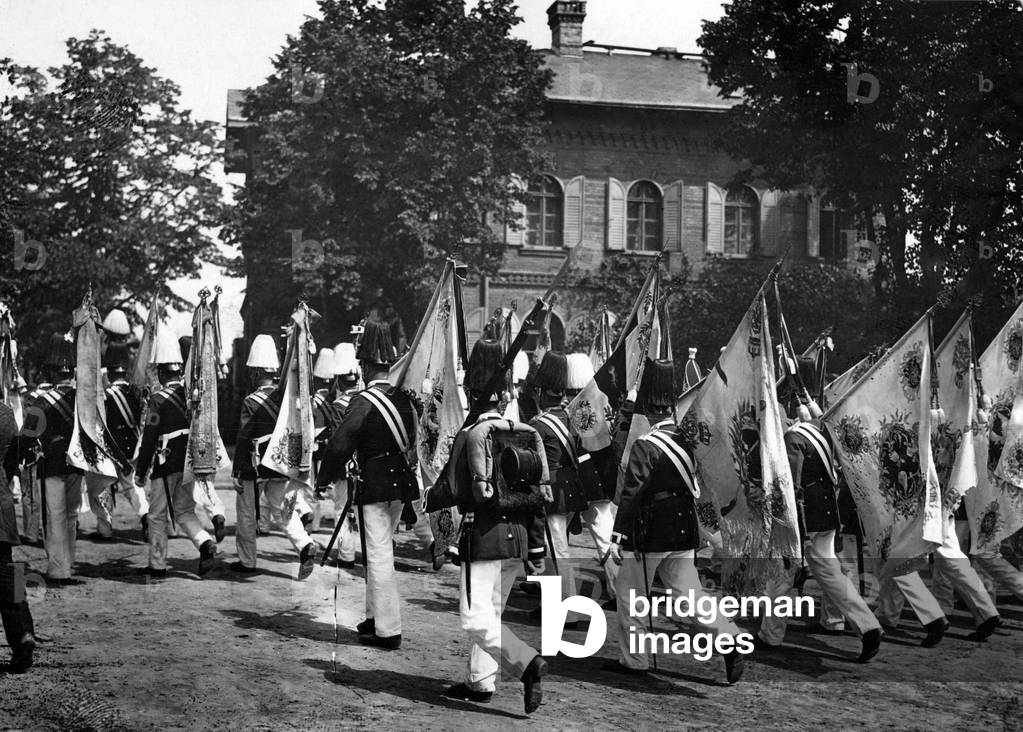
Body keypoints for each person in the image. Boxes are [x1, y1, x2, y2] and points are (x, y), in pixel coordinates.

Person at [608, 359, 745, 683]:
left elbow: (632, 495)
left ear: (649, 408)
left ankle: (635, 660)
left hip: (650, 532)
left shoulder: (646, 445)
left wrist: (618, 535)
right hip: (683, 526)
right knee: (690, 596)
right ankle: (730, 637)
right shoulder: (689, 441)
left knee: (630, 593)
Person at [442, 338, 549, 714]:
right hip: (517, 540)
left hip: (483, 538)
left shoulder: (470, 435)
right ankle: (480, 681)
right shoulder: (525, 432)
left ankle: (526, 663)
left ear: (472, 387)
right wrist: (536, 549)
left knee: (474, 618)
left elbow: (451, 493)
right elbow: (538, 497)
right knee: (491, 613)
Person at [755, 398, 884, 662]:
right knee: (832, 575)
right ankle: (868, 625)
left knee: (781, 576)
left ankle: (771, 635)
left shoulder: (793, 439)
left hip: (805, 520)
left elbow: (791, 487)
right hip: (827, 515)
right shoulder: (823, 432)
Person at [317, 318, 419, 650]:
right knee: (380, 549)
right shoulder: (403, 399)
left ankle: (388, 630)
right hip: (400, 483)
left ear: (364, 365)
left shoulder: (363, 401)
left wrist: (323, 477)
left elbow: (338, 445)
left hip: (375, 484)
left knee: (377, 556)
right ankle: (375, 617)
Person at [231, 334, 318, 578]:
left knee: (247, 512)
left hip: (254, 466)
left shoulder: (251, 401)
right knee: (284, 511)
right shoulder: (286, 399)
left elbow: (243, 438)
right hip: (280, 464)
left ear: (254, 373)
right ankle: (304, 544)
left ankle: (248, 561)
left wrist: (237, 470)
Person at [134, 331, 217, 578]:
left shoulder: (157, 401)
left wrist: (141, 472)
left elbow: (149, 437)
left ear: (161, 372)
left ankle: (158, 565)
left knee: (157, 515)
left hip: (165, 460)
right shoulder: (191, 396)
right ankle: (204, 542)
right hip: (189, 461)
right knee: (184, 510)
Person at [527, 352, 587, 627]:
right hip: (572, 490)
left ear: (541, 393)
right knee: (556, 549)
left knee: (557, 550)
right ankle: (550, 605)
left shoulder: (538, 424)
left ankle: (571, 611)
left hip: (553, 492)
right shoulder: (571, 417)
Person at [21, 333, 82, 584]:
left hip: (52, 463)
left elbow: (28, 433)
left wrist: (21, 454)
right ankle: (68, 561)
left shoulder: (42, 401)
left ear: (53, 370)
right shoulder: (82, 398)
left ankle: (58, 569)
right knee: (71, 515)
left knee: (55, 515)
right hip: (77, 462)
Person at [1, 401, 34, 672]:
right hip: (1, 506)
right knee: (9, 574)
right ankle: (24, 633)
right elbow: (13, 462)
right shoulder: (5, 412)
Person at [324, 342, 360, 568]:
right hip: (366, 465)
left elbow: (338, 443)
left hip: (345, 468)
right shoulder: (365, 399)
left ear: (338, 380)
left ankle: (346, 555)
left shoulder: (338, 406)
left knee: (342, 509)